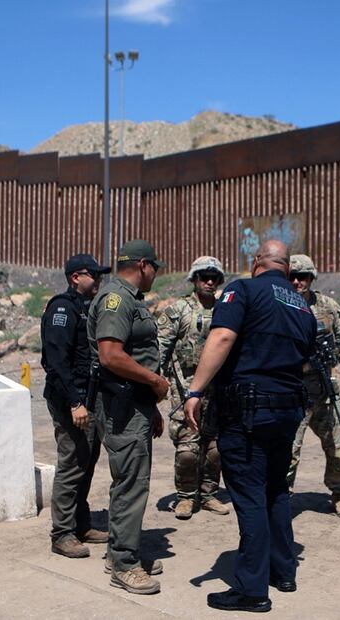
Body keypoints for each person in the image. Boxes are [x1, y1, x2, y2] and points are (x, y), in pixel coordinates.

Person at [184, 240, 317, 613]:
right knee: (276, 490)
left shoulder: (242, 289)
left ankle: (252, 589)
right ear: (287, 269)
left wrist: (196, 390)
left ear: (257, 261)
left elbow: (222, 336)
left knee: (250, 496)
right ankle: (283, 571)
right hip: (287, 411)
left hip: (249, 411)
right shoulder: (303, 306)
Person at [87, 239, 170, 595]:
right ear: (142, 265)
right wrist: (155, 381)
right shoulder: (116, 299)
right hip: (122, 407)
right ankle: (123, 564)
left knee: (133, 480)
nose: (156, 274)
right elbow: (110, 356)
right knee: (131, 484)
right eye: (155, 267)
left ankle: (121, 550)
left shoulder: (127, 299)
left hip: (135, 405)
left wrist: (149, 406)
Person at [42, 253, 112, 558]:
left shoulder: (87, 309)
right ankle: (62, 533)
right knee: (71, 463)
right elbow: (56, 362)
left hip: (88, 398)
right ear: (75, 278)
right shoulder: (62, 308)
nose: (98, 280)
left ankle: (81, 523)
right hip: (70, 400)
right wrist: (74, 403)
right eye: (93, 275)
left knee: (87, 460)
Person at [285, 254, 340, 518]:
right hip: (293, 391)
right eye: (292, 276)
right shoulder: (280, 306)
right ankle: (282, 499)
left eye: (302, 276)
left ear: (311, 278)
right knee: (288, 451)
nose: (297, 282)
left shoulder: (327, 306)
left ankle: (338, 494)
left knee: (337, 449)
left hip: (324, 389)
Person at [157, 255, 231, 520]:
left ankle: (208, 494)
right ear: (194, 279)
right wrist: (156, 385)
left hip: (218, 394)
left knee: (215, 449)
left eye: (214, 277)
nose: (209, 281)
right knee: (187, 451)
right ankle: (186, 497)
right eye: (204, 276)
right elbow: (160, 350)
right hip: (185, 393)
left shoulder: (227, 309)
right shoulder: (178, 310)